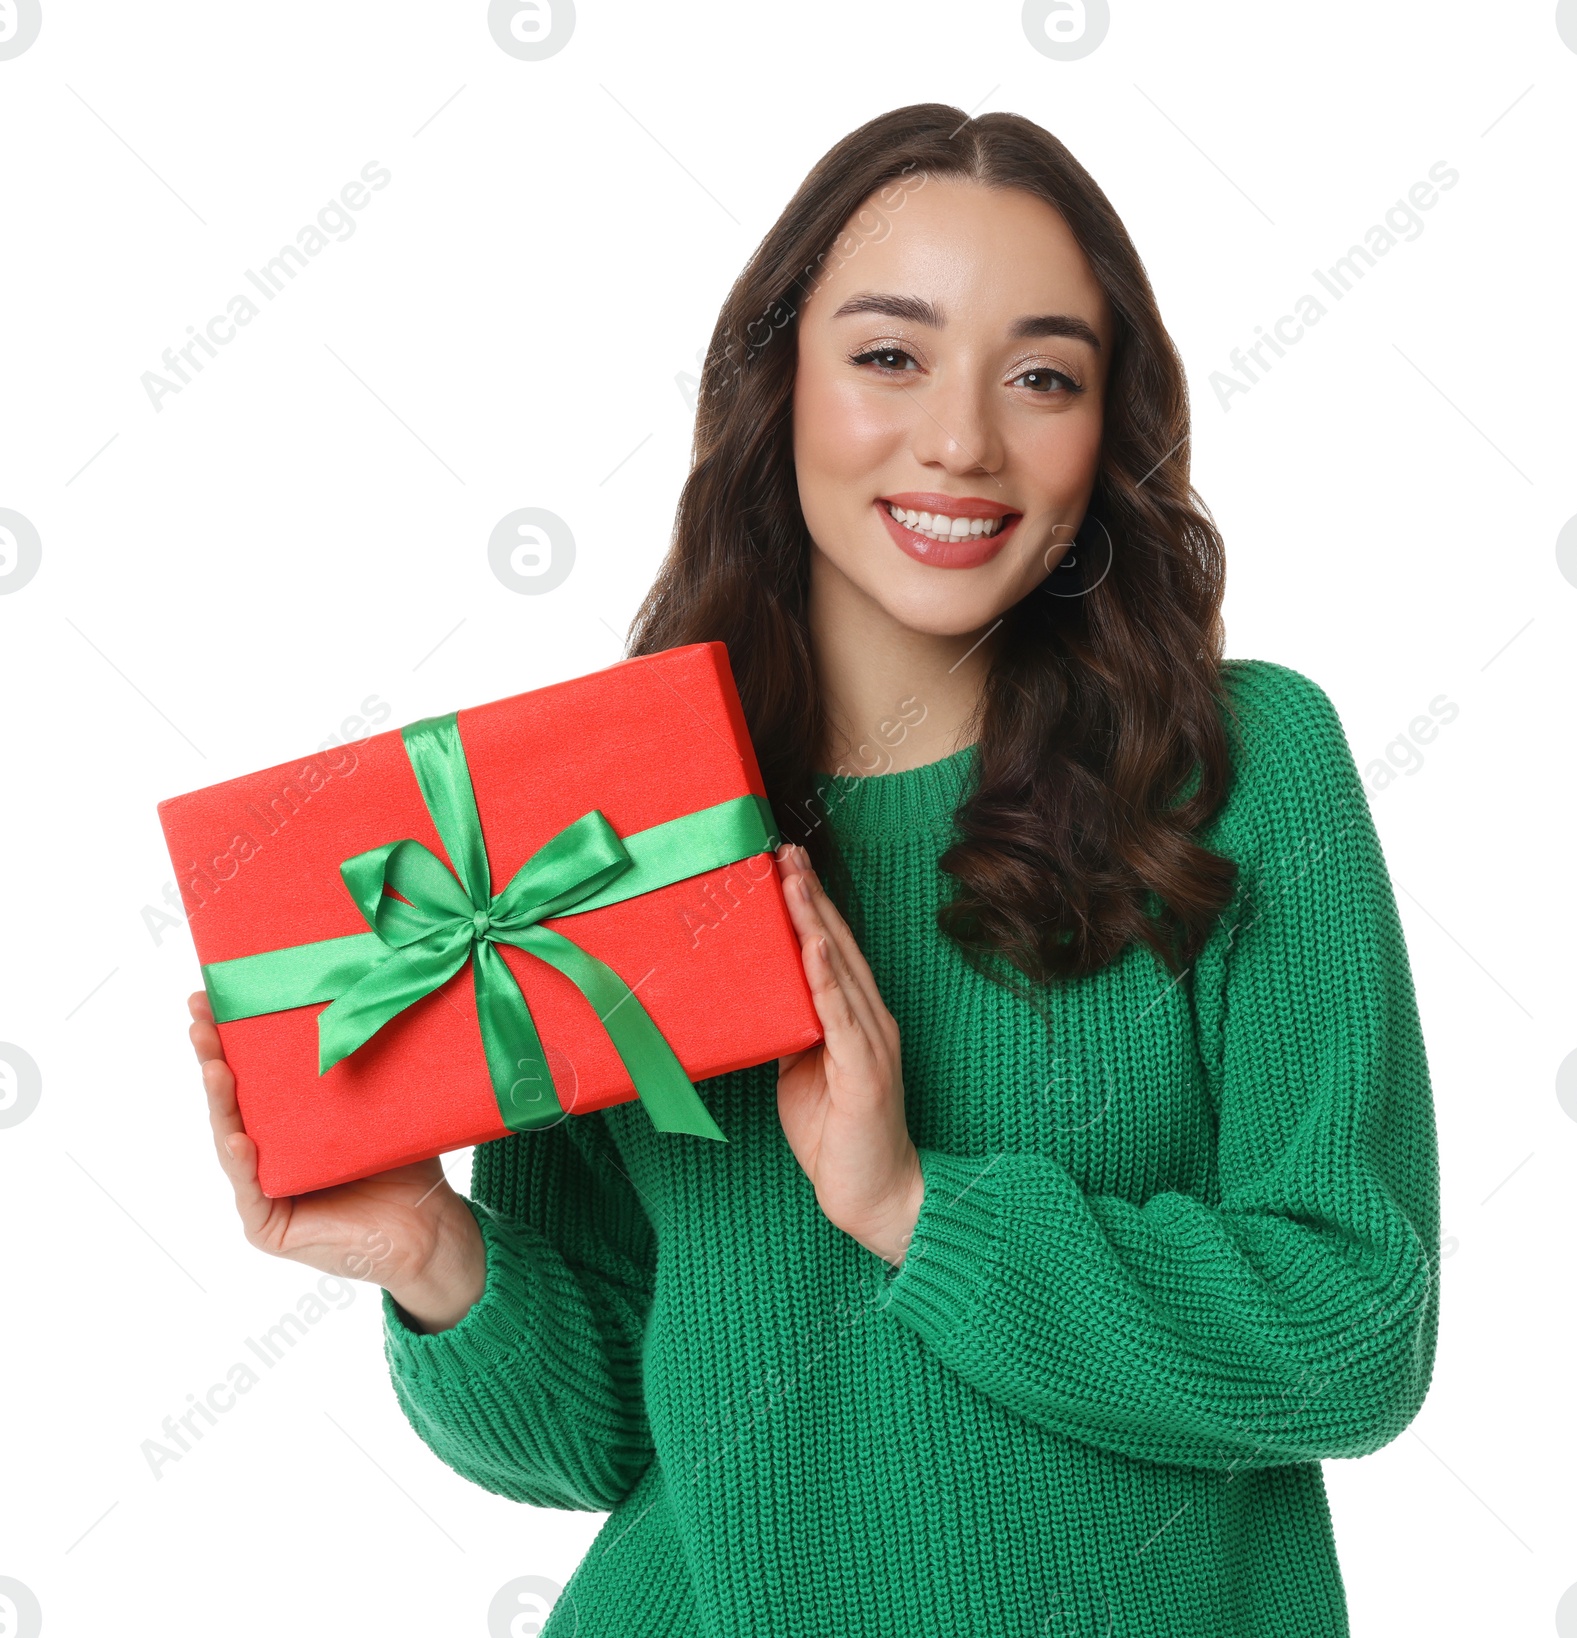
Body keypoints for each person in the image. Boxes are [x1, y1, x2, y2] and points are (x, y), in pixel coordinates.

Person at [189, 103, 1441, 1637]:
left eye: (1041, 375)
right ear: (777, 381)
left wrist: (919, 1206)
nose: (963, 438)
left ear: (1107, 433)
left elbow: (1353, 1338)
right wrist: (435, 1253)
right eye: (890, 354)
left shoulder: (1243, 770)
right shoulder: (609, 827)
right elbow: (603, 1442)